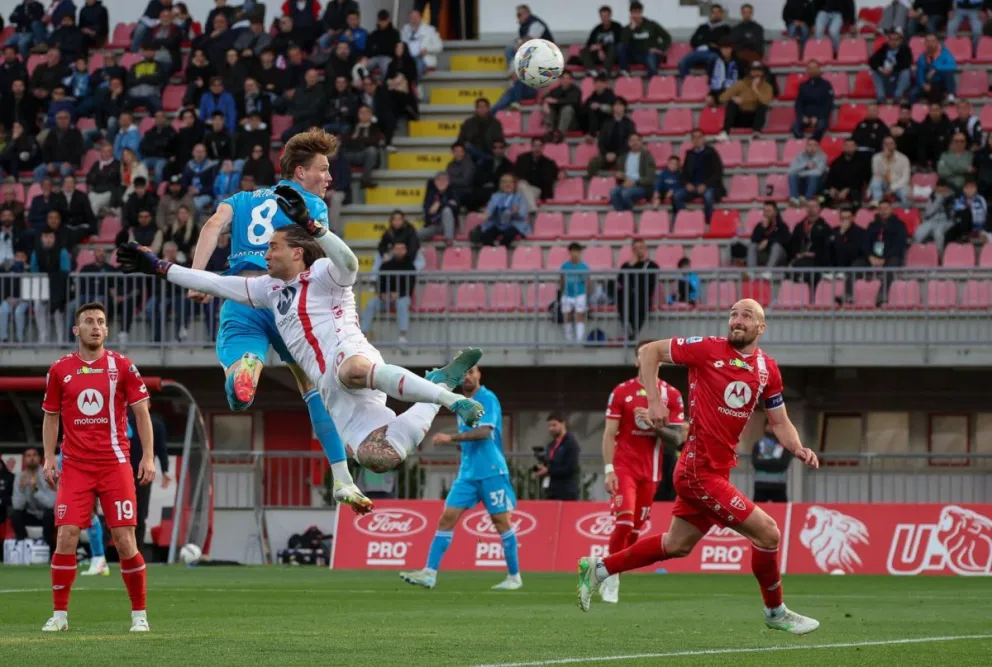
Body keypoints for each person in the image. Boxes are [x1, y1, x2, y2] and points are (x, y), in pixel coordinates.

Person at [577, 300, 821, 635]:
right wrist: (654, 401)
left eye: (746, 315)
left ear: (761, 327)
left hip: (717, 470)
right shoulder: (707, 349)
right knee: (768, 533)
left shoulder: (767, 369)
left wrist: (798, 447)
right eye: (733, 314)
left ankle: (600, 569)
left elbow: (779, 422)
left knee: (677, 545)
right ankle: (775, 611)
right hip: (697, 470)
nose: (737, 320)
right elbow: (649, 351)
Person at [170, 129, 369, 512]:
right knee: (314, 389)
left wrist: (197, 276)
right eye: (323, 169)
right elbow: (317, 259)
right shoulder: (311, 205)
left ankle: (246, 371)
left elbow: (211, 225)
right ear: (300, 172)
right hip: (288, 304)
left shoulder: (242, 199)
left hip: (242, 296)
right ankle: (343, 478)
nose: (329, 177)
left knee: (239, 385)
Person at [39, 302, 153, 632]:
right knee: (66, 536)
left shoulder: (123, 366)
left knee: (124, 539)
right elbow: (51, 416)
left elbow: (142, 412)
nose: (95, 326)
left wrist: (147, 456)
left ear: (107, 329)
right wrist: (49, 457)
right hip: (75, 466)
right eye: (89, 321)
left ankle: (139, 615)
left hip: (114, 464)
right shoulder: (60, 369)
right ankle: (59, 616)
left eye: (101, 322)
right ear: (77, 330)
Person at [399, 365, 519, 591]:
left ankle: (514, 577)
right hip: (468, 474)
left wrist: (450, 438)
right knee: (447, 518)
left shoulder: (487, 398)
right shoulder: (461, 403)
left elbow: (484, 432)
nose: (467, 376)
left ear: (479, 374)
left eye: (471, 371)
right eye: (464, 372)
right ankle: (429, 574)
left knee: (501, 522)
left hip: (492, 471)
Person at [599, 340, 686, 604]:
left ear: (660, 360)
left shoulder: (672, 395)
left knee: (635, 531)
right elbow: (609, 433)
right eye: (642, 355)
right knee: (624, 522)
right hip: (624, 467)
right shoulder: (622, 392)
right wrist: (609, 469)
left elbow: (678, 439)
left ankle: (609, 570)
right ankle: (610, 579)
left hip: (652, 472)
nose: (647, 359)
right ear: (637, 360)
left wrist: (653, 424)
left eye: (652, 355)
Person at [361, 239, 416, 345]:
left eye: (402, 249)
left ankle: (403, 335)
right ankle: (363, 334)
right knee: (371, 304)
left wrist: (398, 294)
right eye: (397, 249)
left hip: (402, 297)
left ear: (406, 250)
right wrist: (382, 294)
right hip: (385, 298)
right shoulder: (385, 265)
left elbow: (410, 287)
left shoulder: (410, 266)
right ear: (393, 250)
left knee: (402, 304)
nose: (399, 251)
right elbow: (379, 283)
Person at [10, 446, 56, 552]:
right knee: (15, 514)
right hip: (30, 514)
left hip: (46, 515)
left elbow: (51, 504)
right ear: (24, 459)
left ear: (40, 458)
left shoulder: (49, 475)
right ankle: (24, 546)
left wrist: (35, 490)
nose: (31, 458)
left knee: (50, 514)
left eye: (34, 455)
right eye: (28, 456)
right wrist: (22, 489)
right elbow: (17, 506)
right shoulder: (19, 476)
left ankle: (47, 548)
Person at [675, 128, 725, 224]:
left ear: (703, 139)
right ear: (692, 140)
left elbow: (718, 173)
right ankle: (689, 218)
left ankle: (707, 223)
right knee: (677, 196)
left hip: (708, 186)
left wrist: (705, 185)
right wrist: (687, 184)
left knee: (708, 197)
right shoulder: (689, 154)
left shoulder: (711, 152)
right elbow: (683, 174)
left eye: (699, 137)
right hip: (693, 186)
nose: (697, 140)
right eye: (694, 138)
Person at [716, 61, 773, 139]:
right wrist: (732, 98)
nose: (756, 73)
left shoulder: (767, 87)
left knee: (762, 106)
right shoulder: (741, 84)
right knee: (732, 104)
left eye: (759, 70)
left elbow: (766, 101)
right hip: (740, 118)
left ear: (763, 72)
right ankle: (725, 132)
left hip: (755, 119)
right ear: (749, 72)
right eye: (753, 70)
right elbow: (722, 98)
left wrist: (754, 89)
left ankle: (756, 133)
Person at [472, 173, 529, 248]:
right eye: (505, 182)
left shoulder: (519, 198)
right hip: (498, 224)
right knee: (487, 235)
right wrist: (487, 214)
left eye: (510, 182)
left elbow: (522, 215)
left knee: (509, 234)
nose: (507, 184)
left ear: (514, 184)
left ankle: (502, 251)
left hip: (513, 224)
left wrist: (515, 213)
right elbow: (490, 209)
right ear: (501, 184)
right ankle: (493, 252)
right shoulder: (495, 196)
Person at [617, 238, 658, 340]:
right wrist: (631, 266)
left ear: (646, 249)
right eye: (636, 248)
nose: (639, 250)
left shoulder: (652, 265)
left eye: (641, 247)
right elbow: (621, 281)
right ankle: (628, 328)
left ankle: (634, 331)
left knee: (640, 301)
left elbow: (649, 283)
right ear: (632, 250)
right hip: (628, 296)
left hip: (642, 296)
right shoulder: (626, 266)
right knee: (622, 297)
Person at [618, 1, 670, 77]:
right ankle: (625, 71)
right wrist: (631, 29)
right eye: (634, 13)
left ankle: (653, 78)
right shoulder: (628, 28)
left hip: (649, 54)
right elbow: (622, 42)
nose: (636, 15)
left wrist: (659, 48)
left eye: (638, 12)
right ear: (630, 14)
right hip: (635, 55)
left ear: (641, 12)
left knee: (650, 59)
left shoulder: (651, 25)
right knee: (620, 46)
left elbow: (667, 37)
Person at [537, 413, 581, 501]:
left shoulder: (571, 443)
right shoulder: (551, 445)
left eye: (554, 425)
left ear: (563, 424)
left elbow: (570, 467)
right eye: (549, 426)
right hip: (551, 490)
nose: (551, 429)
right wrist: (542, 468)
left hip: (566, 491)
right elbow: (550, 462)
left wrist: (549, 470)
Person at [587, 97, 635, 177]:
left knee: (622, 162)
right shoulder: (606, 123)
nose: (618, 107)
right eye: (615, 105)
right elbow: (601, 142)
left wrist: (616, 154)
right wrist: (606, 153)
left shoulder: (629, 124)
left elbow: (629, 143)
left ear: (624, 107)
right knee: (593, 163)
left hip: (622, 154)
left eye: (620, 105)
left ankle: (621, 183)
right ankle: (592, 182)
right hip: (606, 154)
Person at [678, 3, 729, 79]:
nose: (716, 14)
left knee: (714, 60)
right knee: (683, 61)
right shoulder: (702, 27)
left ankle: (709, 82)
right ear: (710, 14)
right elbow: (693, 41)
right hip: (697, 52)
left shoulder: (726, 29)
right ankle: (683, 83)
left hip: (713, 53)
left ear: (721, 14)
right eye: (713, 12)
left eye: (718, 12)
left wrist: (704, 41)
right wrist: (708, 43)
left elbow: (723, 43)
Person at [610, 133, 656, 212]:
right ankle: (621, 214)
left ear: (641, 142)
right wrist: (619, 175)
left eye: (637, 140)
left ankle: (628, 215)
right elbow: (620, 175)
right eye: (632, 141)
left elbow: (650, 178)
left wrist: (634, 182)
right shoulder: (623, 157)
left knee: (625, 193)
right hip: (626, 184)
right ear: (628, 143)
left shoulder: (647, 156)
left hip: (642, 186)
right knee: (613, 192)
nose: (635, 143)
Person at [913, 179, 957, 255]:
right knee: (919, 233)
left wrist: (945, 201)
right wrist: (938, 200)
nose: (942, 191)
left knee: (938, 233)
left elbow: (952, 215)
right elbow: (928, 213)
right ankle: (915, 253)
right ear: (936, 188)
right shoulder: (932, 197)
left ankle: (939, 255)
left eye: (944, 189)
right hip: (931, 221)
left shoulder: (952, 198)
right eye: (940, 189)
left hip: (945, 222)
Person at [752, 423, 793, 502]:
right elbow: (756, 463)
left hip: (779, 485)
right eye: (769, 424)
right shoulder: (758, 444)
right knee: (758, 508)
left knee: (780, 509)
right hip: (761, 485)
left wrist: (764, 462)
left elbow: (783, 464)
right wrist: (774, 462)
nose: (771, 427)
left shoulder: (785, 445)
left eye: (774, 424)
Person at [869, 28, 913, 103]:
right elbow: (872, 60)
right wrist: (881, 69)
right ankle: (881, 97)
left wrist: (892, 69)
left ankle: (898, 96)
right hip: (886, 78)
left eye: (896, 40)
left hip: (898, 79)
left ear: (900, 40)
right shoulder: (884, 49)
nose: (893, 42)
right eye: (891, 40)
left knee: (906, 71)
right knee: (875, 71)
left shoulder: (905, 49)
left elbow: (906, 63)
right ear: (888, 40)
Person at [912, 33, 957, 103]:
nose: (930, 44)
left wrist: (935, 68)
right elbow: (920, 73)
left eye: (933, 41)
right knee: (913, 93)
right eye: (928, 41)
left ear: (937, 42)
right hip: (928, 81)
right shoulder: (922, 57)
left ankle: (950, 94)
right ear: (925, 43)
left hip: (941, 82)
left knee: (948, 72)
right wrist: (923, 84)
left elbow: (952, 66)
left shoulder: (945, 53)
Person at [824, 138, 869, 209]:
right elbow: (830, 177)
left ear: (855, 147)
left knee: (856, 200)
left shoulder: (862, 162)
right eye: (847, 145)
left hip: (853, 189)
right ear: (843, 147)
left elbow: (860, 180)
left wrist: (847, 189)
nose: (849, 148)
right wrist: (832, 187)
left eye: (851, 146)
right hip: (836, 189)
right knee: (822, 197)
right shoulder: (836, 161)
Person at [456, 98, 504, 163]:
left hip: (489, 151)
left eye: (484, 107)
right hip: (471, 154)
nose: (481, 109)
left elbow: (500, 140)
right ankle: (485, 158)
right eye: (479, 107)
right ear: (476, 109)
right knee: (467, 147)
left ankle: (485, 158)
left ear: (488, 109)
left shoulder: (496, 123)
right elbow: (460, 140)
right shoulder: (468, 123)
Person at [559, 242, 589, 343]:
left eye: (577, 251)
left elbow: (587, 282)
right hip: (567, 294)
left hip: (580, 294)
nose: (575, 253)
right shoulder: (564, 266)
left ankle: (579, 340)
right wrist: (561, 293)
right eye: (573, 251)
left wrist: (586, 295)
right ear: (570, 252)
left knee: (580, 315)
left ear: (580, 252)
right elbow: (562, 280)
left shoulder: (584, 267)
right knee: (567, 316)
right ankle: (569, 339)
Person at [581, 5, 622, 77]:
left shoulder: (617, 27)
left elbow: (619, 42)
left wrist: (600, 47)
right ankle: (593, 71)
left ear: (610, 16)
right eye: (602, 16)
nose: (604, 18)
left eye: (606, 16)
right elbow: (589, 44)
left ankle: (605, 71)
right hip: (598, 55)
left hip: (612, 55)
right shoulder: (597, 29)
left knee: (612, 47)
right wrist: (596, 48)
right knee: (583, 50)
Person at [748, 201, 790, 271]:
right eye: (765, 211)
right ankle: (751, 272)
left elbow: (785, 240)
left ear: (775, 212)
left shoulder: (782, 225)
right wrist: (762, 229)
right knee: (753, 246)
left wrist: (768, 241)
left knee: (776, 246)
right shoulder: (759, 226)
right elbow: (753, 239)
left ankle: (768, 271)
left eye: (769, 211)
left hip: (778, 256)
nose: (766, 213)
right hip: (763, 255)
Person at [869, 136, 911, 204]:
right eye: (886, 144)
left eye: (891, 143)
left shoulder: (903, 158)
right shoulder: (876, 158)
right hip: (883, 183)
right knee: (875, 181)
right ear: (882, 145)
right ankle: (877, 202)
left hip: (898, 184)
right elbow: (876, 174)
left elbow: (905, 178)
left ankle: (905, 209)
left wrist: (892, 188)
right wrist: (884, 159)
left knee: (905, 193)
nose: (889, 146)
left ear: (895, 145)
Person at [420, 172, 459, 243]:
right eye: (439, 180)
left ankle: (449, 238)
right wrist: (447, 204)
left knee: (447, 210)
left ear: (448, 182)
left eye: (444, 180)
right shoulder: (430, 194)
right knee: (415, 235)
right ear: (435, 182)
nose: (442, 182)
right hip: (434, 225)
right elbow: (428, 212)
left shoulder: (452, 192)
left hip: (449, 225)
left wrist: (439, 204)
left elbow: (455, 208)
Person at [787, 138, 827, 205]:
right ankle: (794, 199)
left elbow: (818, 172)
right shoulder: (799, 156)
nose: (812, 147)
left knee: (813, 177)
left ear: (818, 147)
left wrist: (800, 171)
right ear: (806, 146)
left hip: (816, 185)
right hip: (803, 184)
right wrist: (805, 166)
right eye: (809, 145)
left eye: (815, 145)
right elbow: (790, 171)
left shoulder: (822, 156)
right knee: (792, 176)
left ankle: (808, 199)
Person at [543, 71, 581, 140]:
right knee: (548, 107)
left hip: (572, 122)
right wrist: (545, 104)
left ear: (571, 80)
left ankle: (560, 134)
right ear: (560, 80)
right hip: (557, 121)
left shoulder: (576, 91)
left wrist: (556, 101)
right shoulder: (556, 90)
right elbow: (546, 97)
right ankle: (550, 131)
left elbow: (572, 101)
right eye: (563, 78)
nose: (565, 80)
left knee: (567, 108)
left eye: (567, 78)